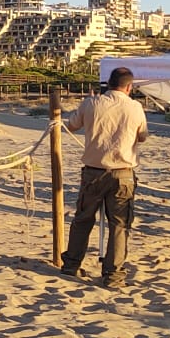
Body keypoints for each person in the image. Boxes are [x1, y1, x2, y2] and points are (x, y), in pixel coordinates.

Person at [59, 67, 149, 287]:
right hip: (123, 173)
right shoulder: (135, 107)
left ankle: (72, 264)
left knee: (83, 219)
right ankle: (113, 274)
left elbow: (71, 125)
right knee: (119, 225)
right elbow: (143, 136)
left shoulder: (92, 103)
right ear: (130, 87)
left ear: (108, 83)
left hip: (93, 171)